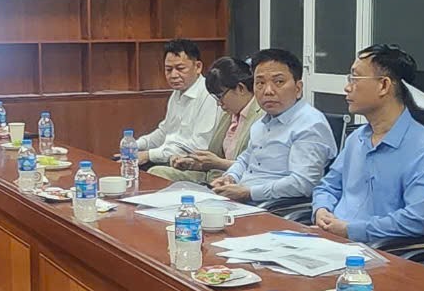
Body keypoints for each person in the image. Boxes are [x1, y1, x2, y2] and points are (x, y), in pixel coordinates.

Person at [310, 44, 424, 244]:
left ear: (383, 85)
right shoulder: (356, 138)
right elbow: (328, 186)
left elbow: (417, 220)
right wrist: (321, 210)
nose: (347, 87)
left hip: (376, 250)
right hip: (330, 239)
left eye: (355, 78)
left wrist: (350, 230)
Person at [211, 47, 335, 209]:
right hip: (242, 202)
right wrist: (230, 177)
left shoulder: (310, 124)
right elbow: (245, 159)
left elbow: (303, 183)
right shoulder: (262, 122)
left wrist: (249, 192)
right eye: (260, 83)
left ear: (298, 88)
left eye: (279, 82)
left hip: (272, 208)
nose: (268, 91)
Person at [151, 56, 259, 185]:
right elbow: (214, 157)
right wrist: (193, 163)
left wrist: (218, 163)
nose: (219, 103)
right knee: (156, 173)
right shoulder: (229, 114)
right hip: (211, 177)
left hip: (237, 183)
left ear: (241, 88)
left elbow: (258, 168)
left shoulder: (261, 117)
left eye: (220, 96)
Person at [128, 38, 218, 168]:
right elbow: (164, 132)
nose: (173, 75)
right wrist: (136, 145)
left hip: (193, 165)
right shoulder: (177, 93)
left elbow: (198, 146)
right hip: (170, 157)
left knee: (146, 169)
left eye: (180, 68)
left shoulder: (209, 94)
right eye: (168, 69)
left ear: (198, 67)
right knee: (123, 162)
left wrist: (149, 155)